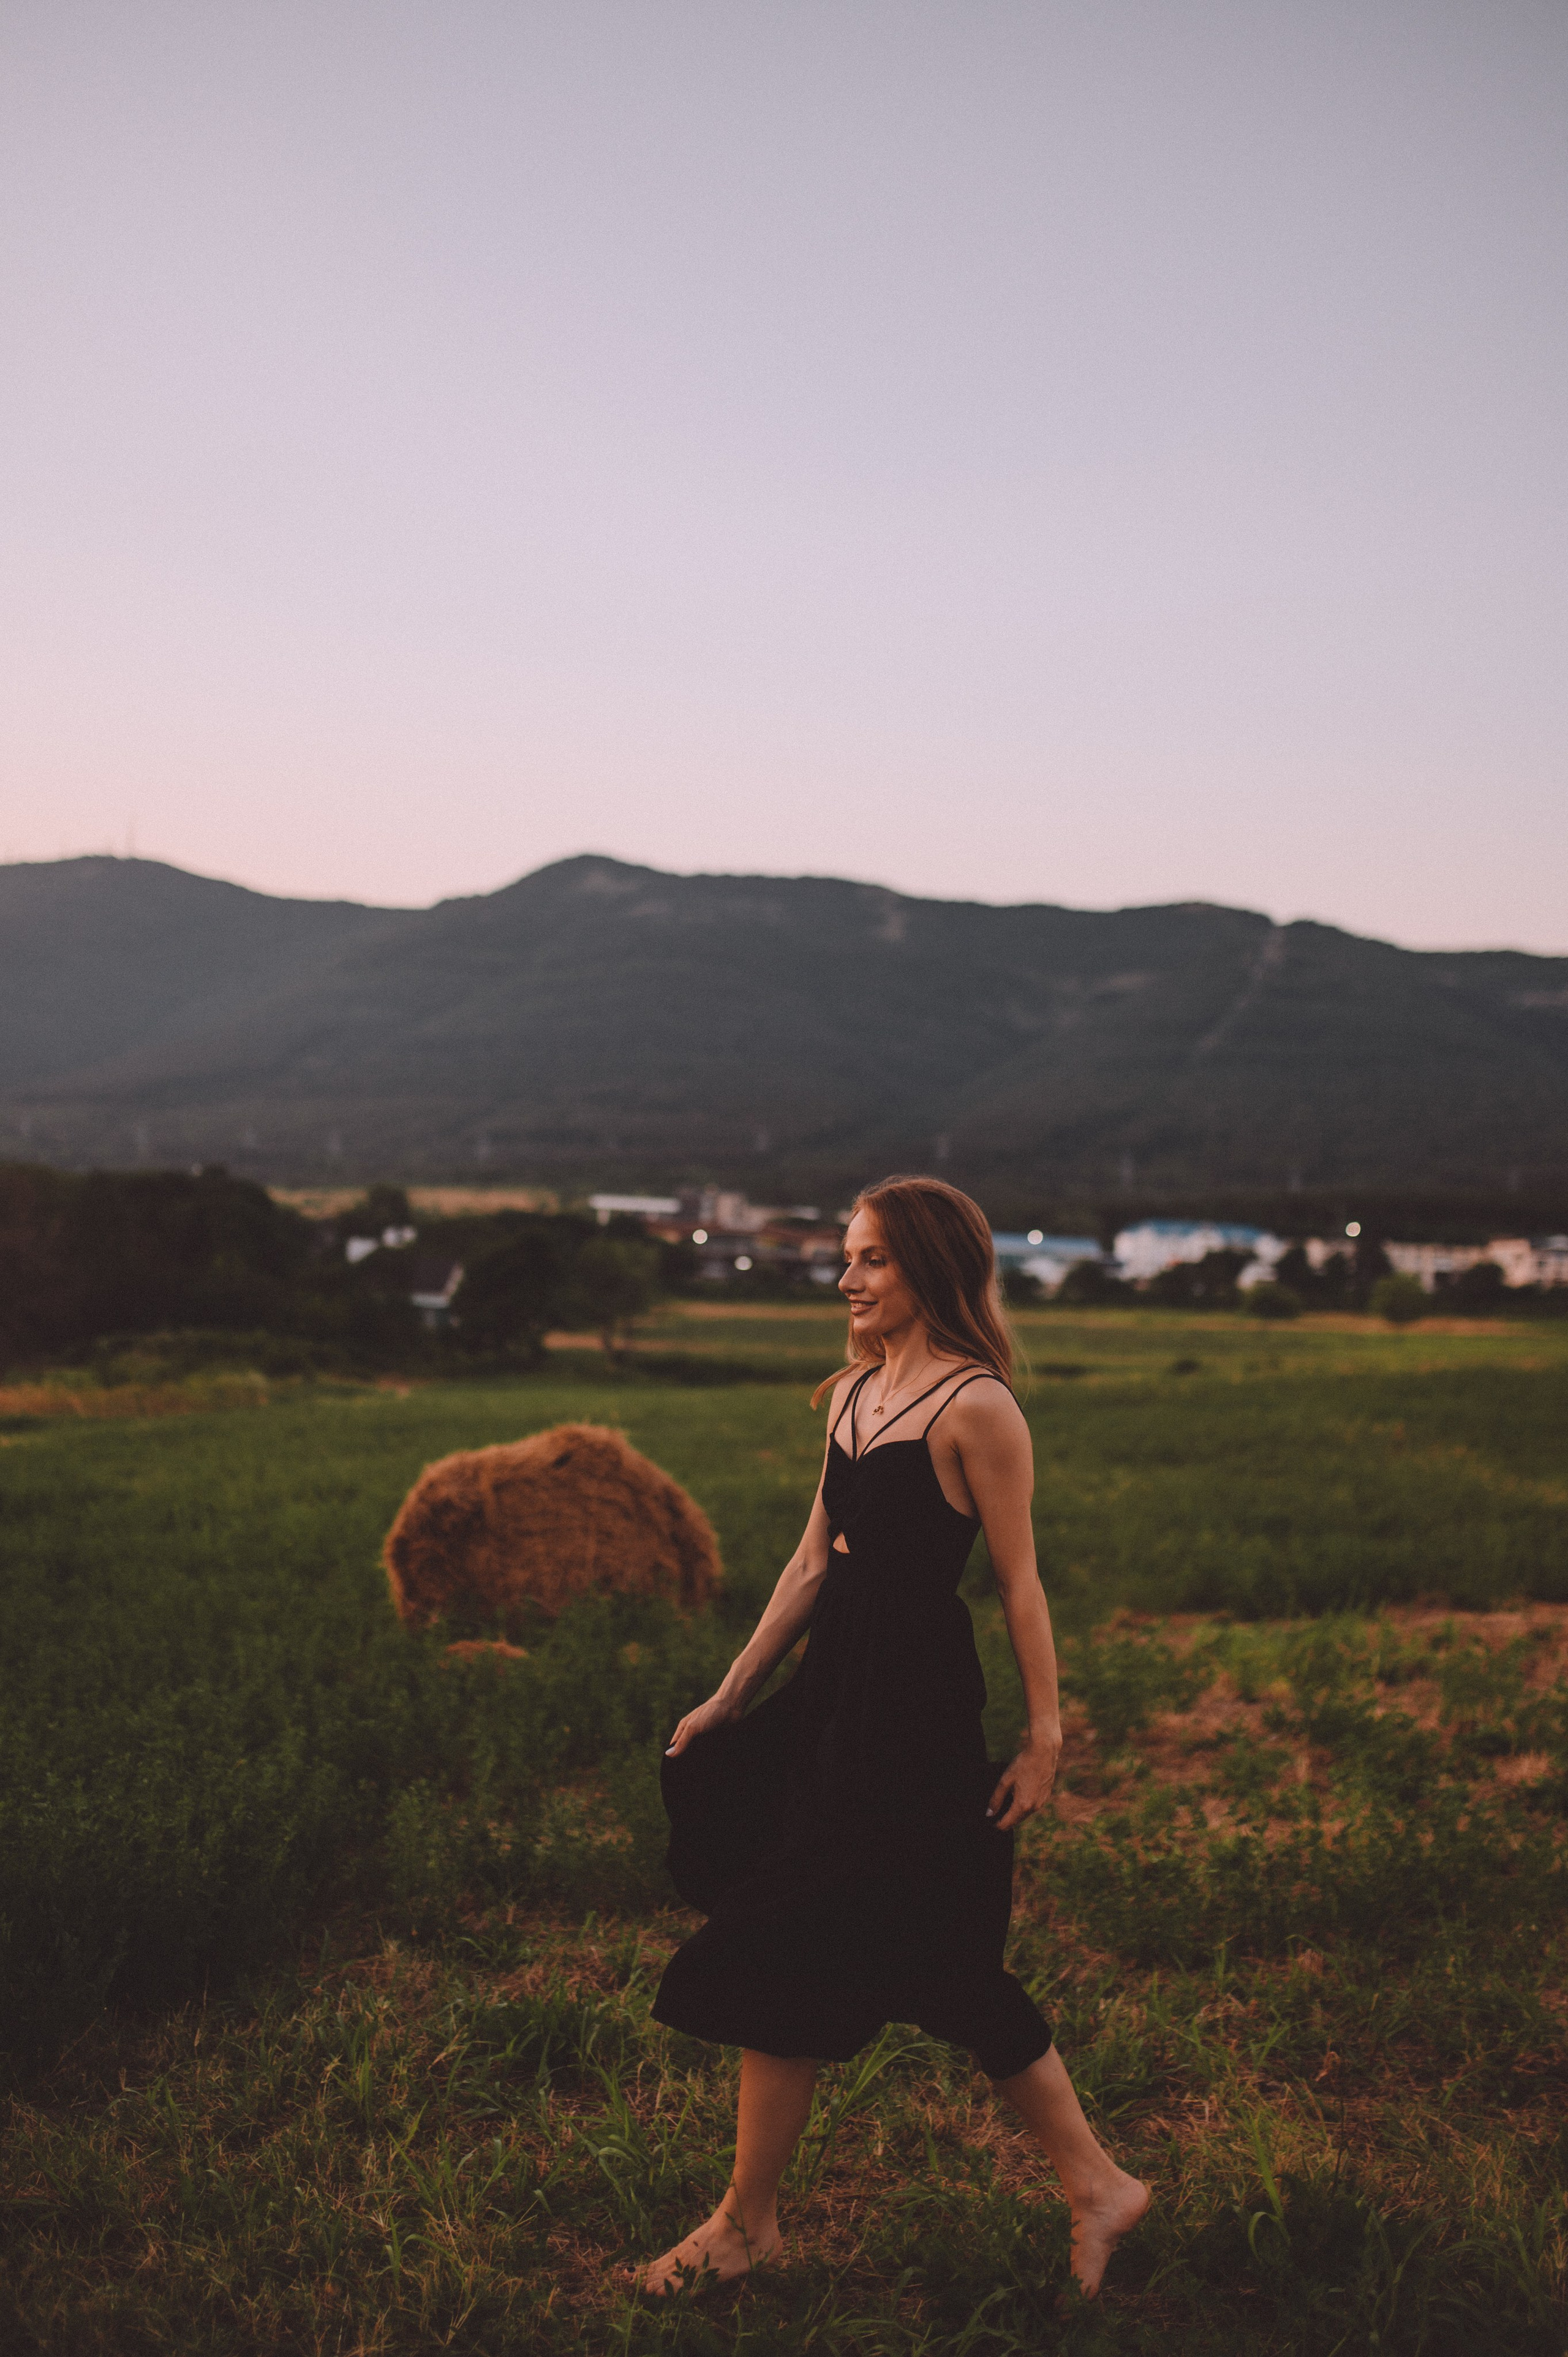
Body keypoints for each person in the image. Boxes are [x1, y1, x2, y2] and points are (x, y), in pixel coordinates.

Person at [641, 1174, 1148, 2301]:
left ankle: (744, 2227)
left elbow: (1020, 1584)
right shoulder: (852, 1396)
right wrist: (733, 1692)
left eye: (870, 1258)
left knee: (826, 1935)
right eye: (848, 1256)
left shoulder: (980, 1408)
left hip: (917, 1712)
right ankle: (1097, 2185)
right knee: (924, 1955)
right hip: (836, 1702)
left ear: (927, 1266)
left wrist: (1044, 1738)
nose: (847, 1278)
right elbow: (813, 1563)